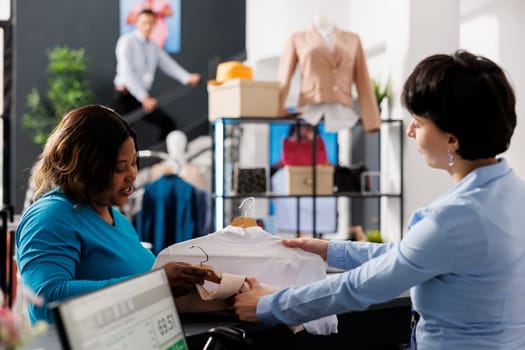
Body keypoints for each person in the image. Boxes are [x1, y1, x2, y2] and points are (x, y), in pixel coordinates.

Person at [232, 50, 525, 349]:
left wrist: (267, 305)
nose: (410, 132)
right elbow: (412, 255)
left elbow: (359, 287)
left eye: (419, 123)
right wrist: (331, 250)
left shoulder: (452, 219)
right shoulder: (513, 193)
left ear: (452, 139)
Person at [15, 105, 210, 324]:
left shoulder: (117, 220)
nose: (132, 174)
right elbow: (47, 300)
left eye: (134, 163)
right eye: (120, 168)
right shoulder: (50, 216)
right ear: (87, 168)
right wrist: (156, 283)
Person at [113, 9, 201, 142]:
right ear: (137, 23)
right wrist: (143, 97)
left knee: (168, 125)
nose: (148, 26)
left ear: (155, 25)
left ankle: (158, 161)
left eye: (151, 23)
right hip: (125, 97)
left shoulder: (153, 47)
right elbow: (127, 73)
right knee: (122, 136)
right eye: (144, 22)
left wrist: (187, 78)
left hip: (142, 97)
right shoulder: (126, 42)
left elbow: (169, 65)